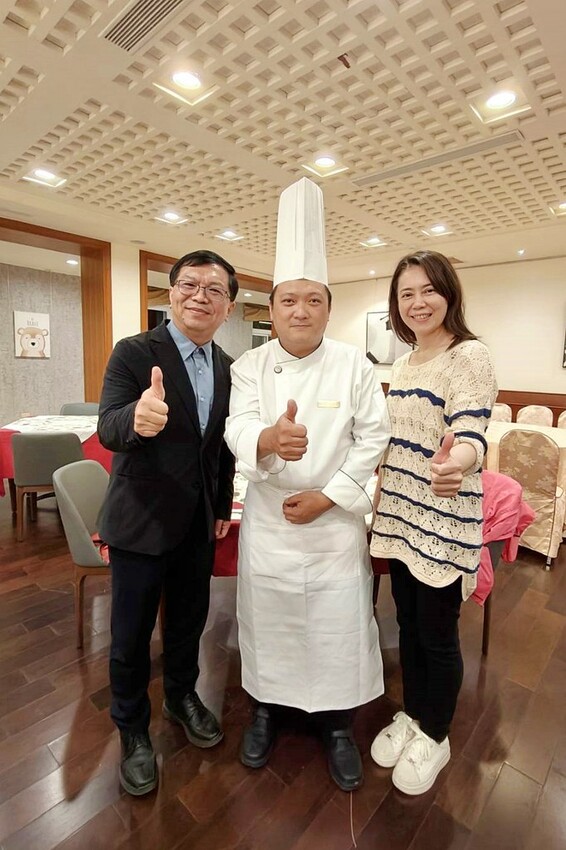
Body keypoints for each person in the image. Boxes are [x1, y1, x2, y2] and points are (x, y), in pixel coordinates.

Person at [224, 177, 391, 791]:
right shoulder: (248, 366)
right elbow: (237, 425)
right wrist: (267, 441)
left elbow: (374, 437)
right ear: (271, 308)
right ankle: (265, 712)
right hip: (269, 518)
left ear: (328, 304)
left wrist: (328, 494)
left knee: (339, 621)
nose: (300, 311)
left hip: (334, 521)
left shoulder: (355, 365)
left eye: (312, 300)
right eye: (288, 300)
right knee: (269, 622)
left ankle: (340, 725)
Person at [97, 249, 238, 796]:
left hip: (197, 523)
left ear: (228, 305)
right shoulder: (135, 352)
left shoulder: (228, 367)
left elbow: (220, 451)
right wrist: (136, 418)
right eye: (189, 284)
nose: (200, 295)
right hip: (140, 520)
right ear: (171, 292)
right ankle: (132, 729)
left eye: (214, 289)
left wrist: (221, 508)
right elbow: (109, 427)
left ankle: (182, 696)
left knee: (188, 622)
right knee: (129, 635)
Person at [369, 250, 497, 795]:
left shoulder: (470, 356)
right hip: (399, 511)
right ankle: (414, 714)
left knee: (439, 635)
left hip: (443, 515)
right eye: (406, 294)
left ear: (448, 293)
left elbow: (470, 430)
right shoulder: (403, 363)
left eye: (427, 290)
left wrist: (457, 462)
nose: (417, 303)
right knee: (410, 626)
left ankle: (436, 735)